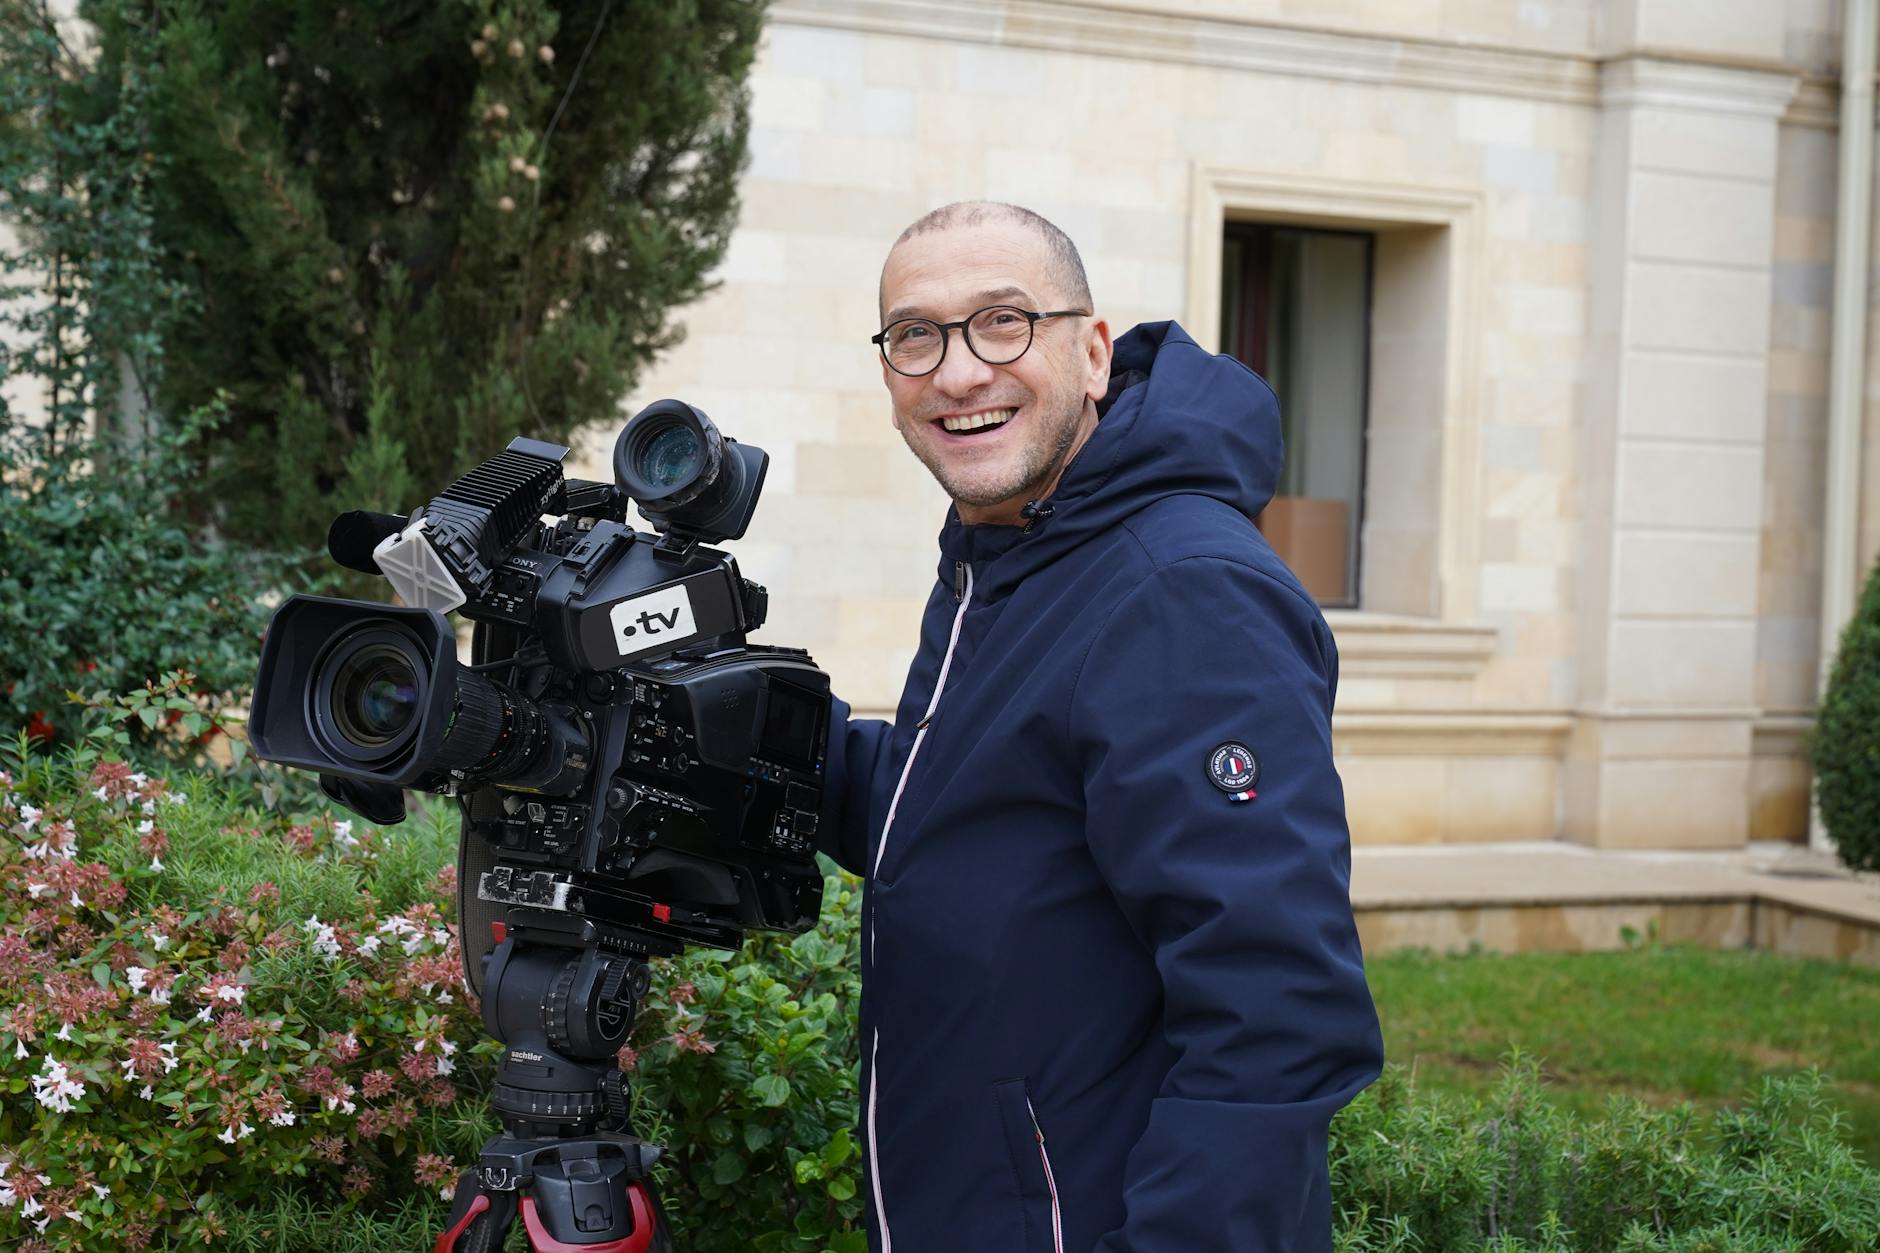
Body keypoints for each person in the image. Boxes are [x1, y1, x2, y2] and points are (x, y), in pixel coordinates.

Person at [815, 201, 1383, 1253]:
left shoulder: (1179, 591)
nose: (956, 372)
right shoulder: (1012, 547)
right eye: (914, 335)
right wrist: (776, 744)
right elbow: (991, 816)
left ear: (1089, 351)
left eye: (1001, 321)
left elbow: (1275, 1020)